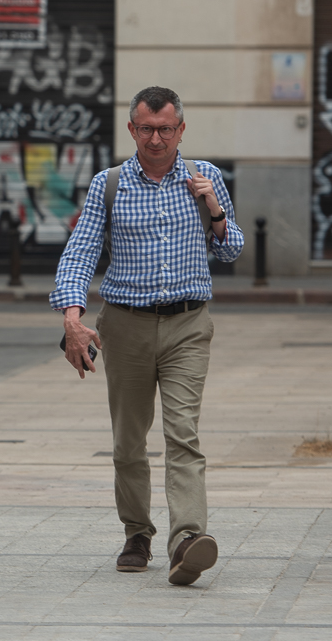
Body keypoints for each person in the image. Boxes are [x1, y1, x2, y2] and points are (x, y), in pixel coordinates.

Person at [51, 86, 244, 586]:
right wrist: (72, 318)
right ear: (131, 129)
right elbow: (80, 252)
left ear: (181, 130)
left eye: (165, 129)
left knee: (183, 433)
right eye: (146, 129)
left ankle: (187, 539)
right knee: (128, 440)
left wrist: (215, 209)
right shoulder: (109, 184)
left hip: (188, 324)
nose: (156, 139)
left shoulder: (205, 178)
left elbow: (231, 251)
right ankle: (137, 532)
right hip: (126, 325)